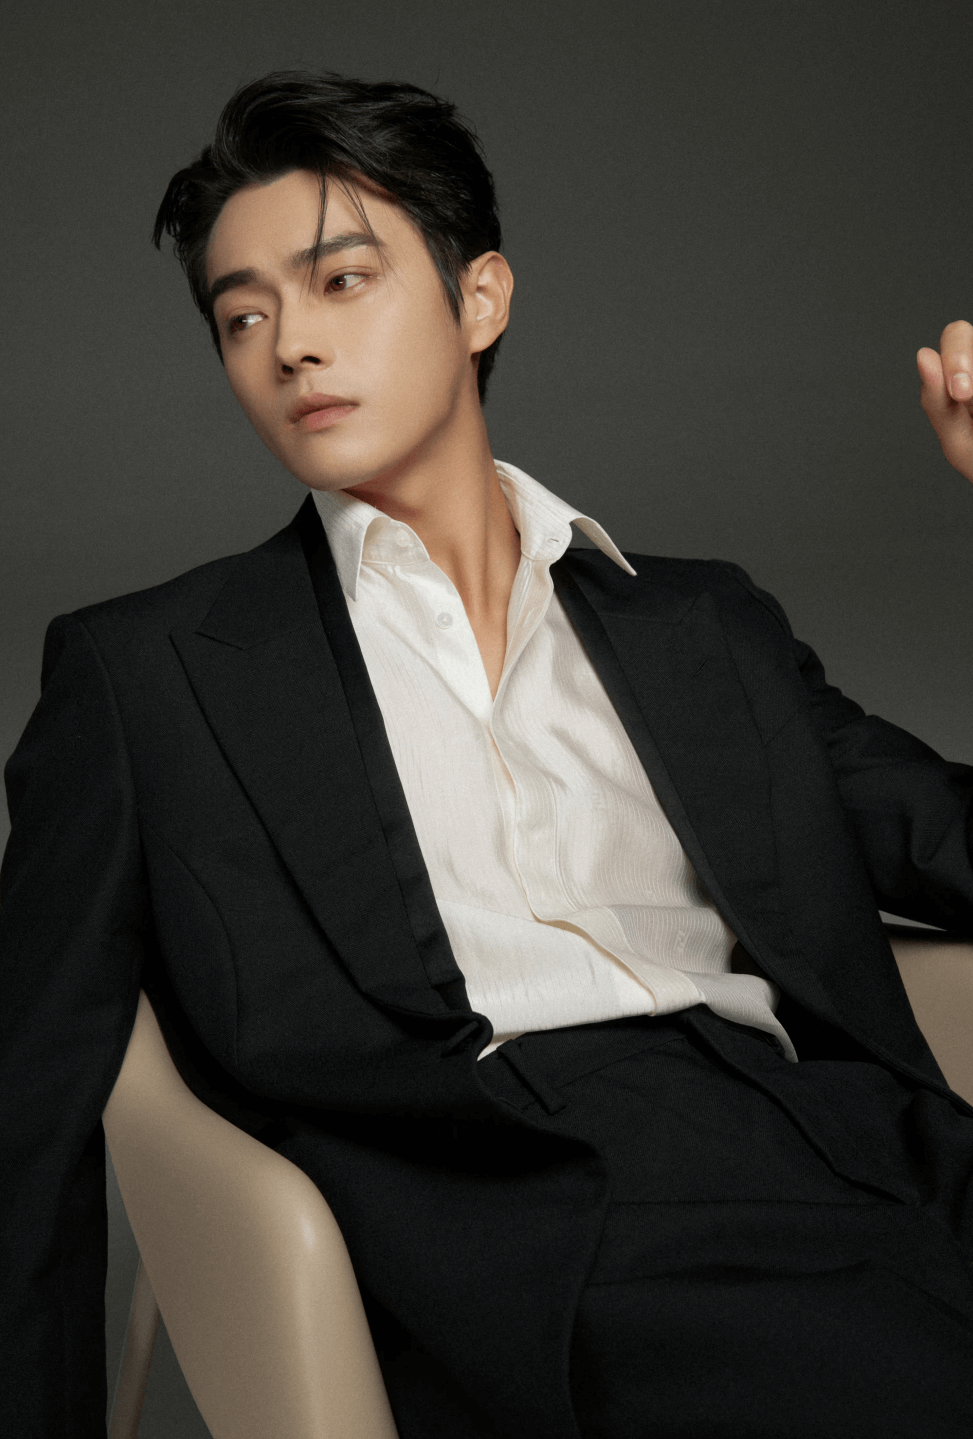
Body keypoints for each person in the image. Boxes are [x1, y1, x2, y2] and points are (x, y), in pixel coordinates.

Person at [2, 69, 973, 1439]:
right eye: (243, 316)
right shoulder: (147, 675)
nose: (289, 346)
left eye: (341, 281)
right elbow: (31, 1100)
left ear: (480, 301)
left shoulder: (702, 624)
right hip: (539, 1210)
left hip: (863, 1142)